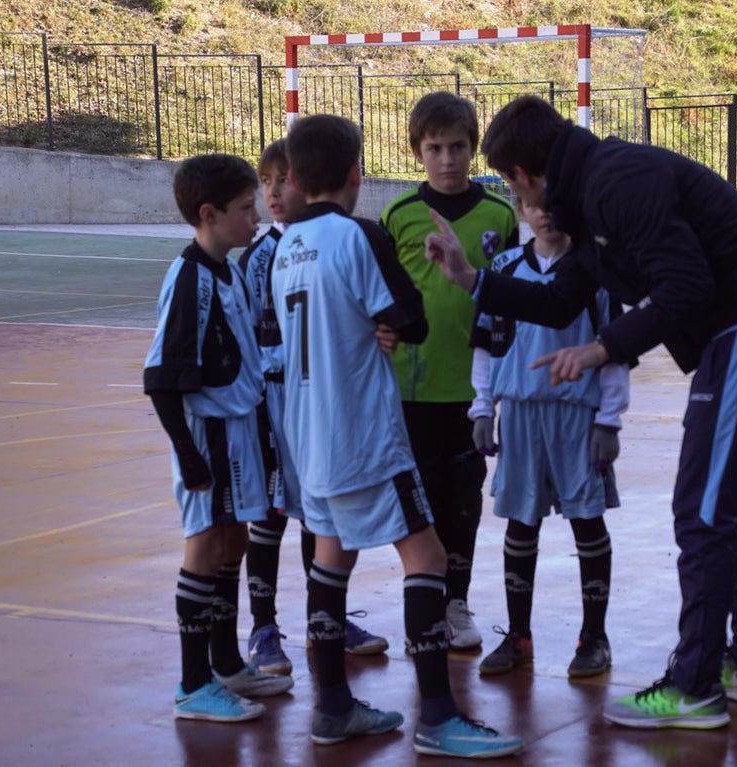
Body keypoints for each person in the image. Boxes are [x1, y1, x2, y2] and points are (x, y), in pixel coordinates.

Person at [424, 95, 737, 730]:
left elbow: (688, 289)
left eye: (505, 180)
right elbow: (557, 302)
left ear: (524, 177)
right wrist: (473, 281)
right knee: (729, 506)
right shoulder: (591, 194)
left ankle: (695, 686)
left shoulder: (618, 183)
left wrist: (605, 348)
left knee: (705, 510)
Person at [270, 113, 522, 757]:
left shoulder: (284, 248)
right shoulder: (360, 236)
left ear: (294, 179)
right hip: (365, 434)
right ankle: (438, 716)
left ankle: (331, 708)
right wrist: (393, 319)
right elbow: (409, 319)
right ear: (357, 172)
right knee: (428, 558)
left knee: (331, 558)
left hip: (308, 434)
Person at [144, 153, 294, 722]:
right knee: (205, 546)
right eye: (243, 208)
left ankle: (227, 662)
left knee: (234, 540)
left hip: (239, 428)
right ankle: (191, 682)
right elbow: (161, 379)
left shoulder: (228, 268)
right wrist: (189, 457)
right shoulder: (189, 279)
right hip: (206, 436)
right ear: (209, 214)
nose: (254, 216)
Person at [237, 140, 388, 678]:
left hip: (320, 397)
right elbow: (245, 340)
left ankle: (327, 619)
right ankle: (263, 627)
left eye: (286, 179)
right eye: (267, 181)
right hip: (271, 401)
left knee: (319, 511)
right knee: (272, 513)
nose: (275, 192)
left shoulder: (327, 243)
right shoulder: (257, 259)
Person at [380, 91, 520, 651]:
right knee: (421, 500)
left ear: (473, 149)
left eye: (457, 147)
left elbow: (509, 296)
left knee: (464, 501)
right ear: (418, 152)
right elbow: (381, 295)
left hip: (472, 389)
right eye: (434, 148)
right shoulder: (398, 216)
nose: (447, 159)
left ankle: (456, 603)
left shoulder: (499, 216)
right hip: (409, 389)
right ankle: (425, 599)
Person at [470, 197, 630, 679]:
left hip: (576, 417)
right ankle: (519, 637)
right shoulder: (503, 266)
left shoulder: (593, 271)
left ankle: (594, 638)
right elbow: (487, 344)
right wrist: (482, 407)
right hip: (519, 412)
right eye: (532, 205)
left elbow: (616, 350)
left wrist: (610, 420)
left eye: (551, 203)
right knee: (521, 523)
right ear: (519, 208)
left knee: (586, 521)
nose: (544, 213)